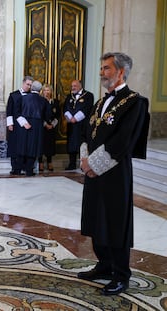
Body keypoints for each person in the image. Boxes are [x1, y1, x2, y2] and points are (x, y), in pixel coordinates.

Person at [78, 52, 150, 296]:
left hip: (115, 172)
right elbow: (88, 132)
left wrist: (93, 165)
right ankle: (104, 264)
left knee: (115, 222)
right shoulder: (100, 102)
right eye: (101, 68)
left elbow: (123, 141)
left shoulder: (135, 102)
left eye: (106, 68)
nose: (101, 73)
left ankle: (121, 274)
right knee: (96, 218)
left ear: (121, 71)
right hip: (94, 172)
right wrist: (85, 159)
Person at [15, 80, 49, 176]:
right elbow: (47, 115)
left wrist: (24, 122)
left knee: (22, 146)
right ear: (41, 90)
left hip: (24, 125)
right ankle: (29, 170)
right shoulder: (44, 101)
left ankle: (18, 170)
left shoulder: (22, 98)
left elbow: (16, 112)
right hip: (37, 127)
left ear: (31, 88)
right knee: (33, 148)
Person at [63, 80, 94, 170]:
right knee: (71, 145)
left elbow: (87, 108)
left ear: (80, 86)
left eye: (75, 86)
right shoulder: (69, 96)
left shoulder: (88, 95)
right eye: (72, 86)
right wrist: (69, 117)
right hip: (71, 126)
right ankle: (72, 164)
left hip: (82, 125)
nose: (73, 87)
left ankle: (82, 165)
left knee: (82, 144)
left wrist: (76, 118)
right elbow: (65, 108)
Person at [6, 76, 33, 175]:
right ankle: (15, 167)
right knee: (14, 146)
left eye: (30, 85)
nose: (29, 87)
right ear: (23, 83)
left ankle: (25, 166)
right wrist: (10, 124)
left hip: (27, 125)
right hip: (15, 125)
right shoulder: (14, 95)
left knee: (24, 146)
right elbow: (9, 110)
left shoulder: (31, 96)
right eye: (27, 84)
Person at [38, 84, 60, 172]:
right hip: (42, 127)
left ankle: (49, 161)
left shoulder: (55, 102)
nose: (46, 92)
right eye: (45, 90)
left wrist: (52, 124)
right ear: (42, 92)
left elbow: (58, 115)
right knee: (41, 144)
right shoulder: (40, 101)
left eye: (48, 90)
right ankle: (40, 162)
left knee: (50, 145)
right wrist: (45, 124)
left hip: (52, 127)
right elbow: (39, 114)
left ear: (51, 92)